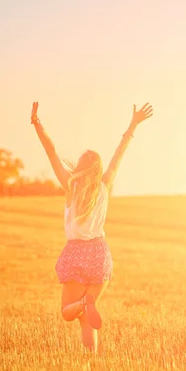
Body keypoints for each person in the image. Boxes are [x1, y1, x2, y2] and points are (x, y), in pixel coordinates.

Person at [31, 101, 153, 352]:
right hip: (99, 253)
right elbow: (119, 153)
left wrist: (37, 124)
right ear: (97, 169)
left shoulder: (71, 186)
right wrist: (133, 125)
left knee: (68, 314)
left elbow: (51, 153)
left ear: (80, 167)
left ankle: (83, 305)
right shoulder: (105, 185)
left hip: (76, 254)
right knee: (88, 320)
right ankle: (91, 361)